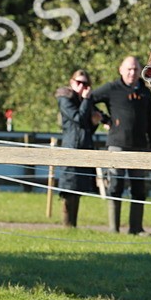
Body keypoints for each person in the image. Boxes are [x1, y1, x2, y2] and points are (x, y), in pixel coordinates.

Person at [91, 55, 151, 235]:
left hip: (140, 147)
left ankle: (136, 228)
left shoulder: (145, 93)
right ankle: (113, 229)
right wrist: (104, 119)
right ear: (121, 70)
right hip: (117, 146)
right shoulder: (111, 88)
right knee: (116, 186)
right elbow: (89, 100)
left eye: (136, 69)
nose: (132, 72)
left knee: (139, 188)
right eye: (129, 69)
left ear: (140, 72)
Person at [54, 69, 100, 228]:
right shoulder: (65, 99)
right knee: (68, 188)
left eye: (85, 83)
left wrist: (95, 123)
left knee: (78, 188)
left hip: (84, 147)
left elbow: (86, 127)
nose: (81, 86)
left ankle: (73, 226)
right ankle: (67, 225)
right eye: (78, 82)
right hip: (71, 148)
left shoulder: (85, 101)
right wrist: (87, 101)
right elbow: (78, 119)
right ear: (71, 82)